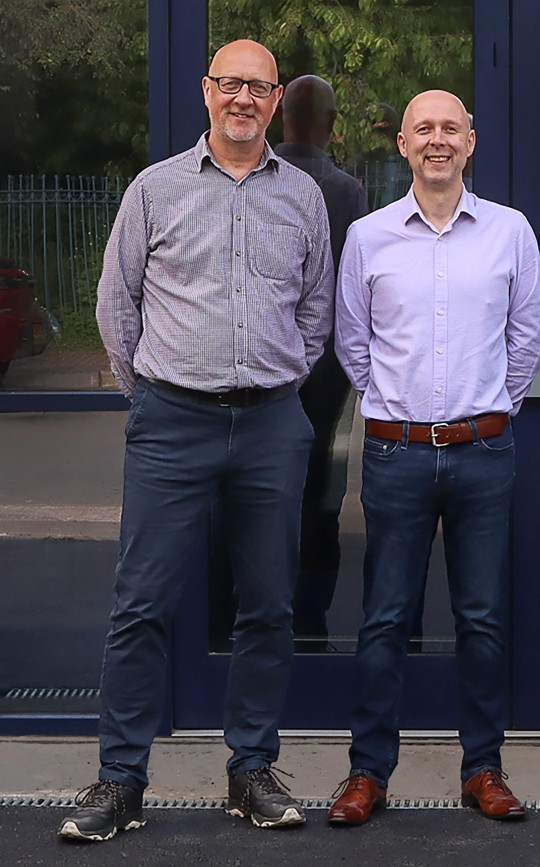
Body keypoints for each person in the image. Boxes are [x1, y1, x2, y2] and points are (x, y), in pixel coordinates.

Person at [58, 39, 333, 842]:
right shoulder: (155, 189)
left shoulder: (304, 197)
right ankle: (120, 781)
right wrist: (152, 393)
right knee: (141, 603)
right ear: (207, 93)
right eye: (229, 84)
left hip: (272, 422)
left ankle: (250, 770)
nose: (243, 98)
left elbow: (315, 313)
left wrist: (271, 378)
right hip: (172, 419)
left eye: (258, 86)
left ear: (277, 100)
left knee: (269, 605)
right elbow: (118, 307)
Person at [328, 89, 540, 825]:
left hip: (485, 450)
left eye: (451, 128)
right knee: (385, 617)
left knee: (483, 617)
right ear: (402, 144)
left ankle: (483, 767)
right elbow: (352, 346)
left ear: (472, 141)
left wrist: (487, 409)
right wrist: (402, 406)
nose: (438, 140)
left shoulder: (512, 232)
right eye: (424, 128)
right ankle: (368, 772)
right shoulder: (368, 237)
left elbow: (526, 341)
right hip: (396, 453)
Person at [276, 74, 369, 644]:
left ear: (281, 117)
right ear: (331, 124)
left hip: (260, 370)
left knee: (246, 501)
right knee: (318, 496)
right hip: (325, 371)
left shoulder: (263, 181)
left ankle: (224, 624)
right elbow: (349, 287)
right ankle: (309, 623)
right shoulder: (344, 190)